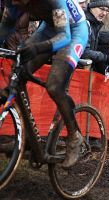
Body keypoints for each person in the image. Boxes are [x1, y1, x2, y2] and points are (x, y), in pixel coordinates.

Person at [0, 0, 88, 168]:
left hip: (73, 32)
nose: (14, 3)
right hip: (48, 28)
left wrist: (38, 48)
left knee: (54, 85)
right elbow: (5, 28)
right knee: (18, 73)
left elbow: (65, 36)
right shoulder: (12, 3)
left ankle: (74, 136)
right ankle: (27, 135)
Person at [81, 0, 109, 74]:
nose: (104, 13)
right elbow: (83, 52)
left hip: (85, 69)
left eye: (107, 10)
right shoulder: (85, 23)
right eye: (102, 9)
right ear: (91, 7)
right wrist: (104, 57)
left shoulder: (95, 24)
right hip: (76, 70)